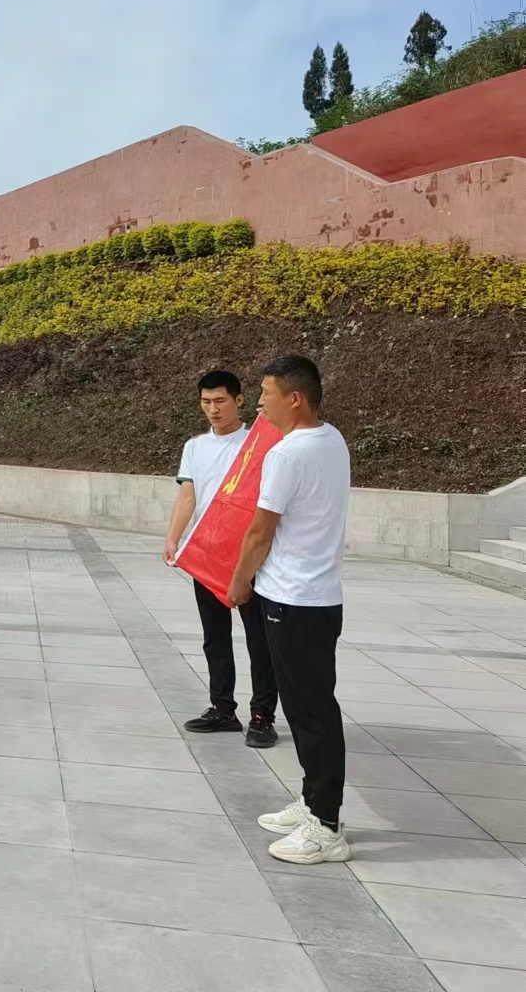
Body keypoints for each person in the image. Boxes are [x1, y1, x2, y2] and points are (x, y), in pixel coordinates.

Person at [229, 354, 353, 865]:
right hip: (317, 597)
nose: (260, 404)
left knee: (310, 712)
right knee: (310, 706)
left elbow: (261, 531)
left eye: (266, 394)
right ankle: (313, 802)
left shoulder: (286, 454)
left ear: (295, 398)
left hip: (293, 599)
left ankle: (325, 827)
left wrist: (238, 582)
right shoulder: (332, 439)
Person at [165, 370, 277, 748]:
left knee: (259, 639)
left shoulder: (259, 442)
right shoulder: (195, 446)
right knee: (215, 637)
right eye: (206, 402)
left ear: (239, 400)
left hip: (250, 555)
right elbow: (188, 497)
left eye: (220, 401)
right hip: (208, 552)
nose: (213, 409)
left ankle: (262, 715)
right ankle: (222, 708)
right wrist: (173, 538)